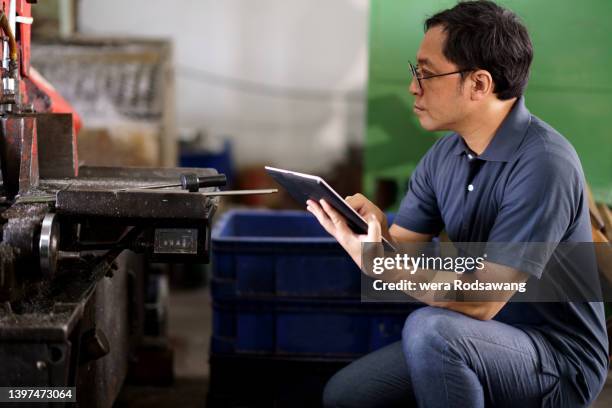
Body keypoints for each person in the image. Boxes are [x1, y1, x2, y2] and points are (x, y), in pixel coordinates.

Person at [306, 1, 609, 407]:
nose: (414, 86)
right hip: (476, 335)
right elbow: (404, 255)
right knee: (346, 395)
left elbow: (481, 300)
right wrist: (371, 233)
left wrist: (380, 264)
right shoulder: (445, 155)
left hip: (558, 360)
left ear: (479, 84)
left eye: (427, 74)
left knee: (431, 330)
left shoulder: (544, 163)